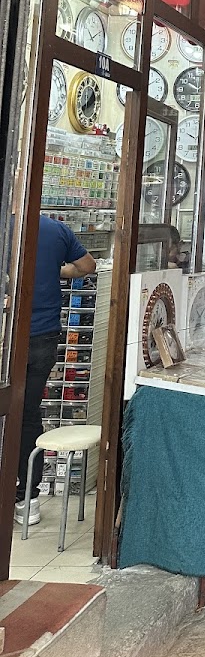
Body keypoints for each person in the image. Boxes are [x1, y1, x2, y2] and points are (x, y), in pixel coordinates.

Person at [17, 215, 96, 526]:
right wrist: (56, 270)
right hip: (43, 335)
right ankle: (27, 499)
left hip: (10, 333)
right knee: (28, 414)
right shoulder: (55, 229)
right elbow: (87, 266)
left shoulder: (9, 223)